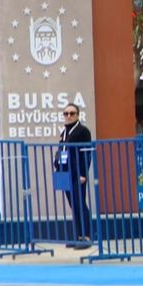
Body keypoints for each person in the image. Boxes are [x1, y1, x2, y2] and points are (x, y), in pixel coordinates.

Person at [56, 104, 94, 248]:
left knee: (80, 203)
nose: (68, 116)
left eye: (72, 113)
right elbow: (62, 149)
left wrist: (83, 173)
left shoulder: (83, 131)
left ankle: (87, 235)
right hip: (65, 172)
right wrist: (57, 164)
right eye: (66, 113)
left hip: (77, 173)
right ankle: (78, 235)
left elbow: (86, 153)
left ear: (78, 115)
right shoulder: (64, 132)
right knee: (73, 204)